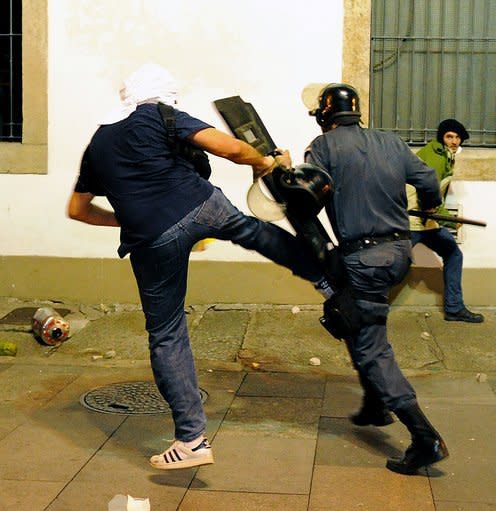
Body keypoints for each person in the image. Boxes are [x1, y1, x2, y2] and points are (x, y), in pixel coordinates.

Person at [67, 63, 327, 470]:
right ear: (163, 95)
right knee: (254, 232)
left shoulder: (98, 144)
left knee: (167, 333)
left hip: (152, 239)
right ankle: (325, 278)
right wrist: (265, 163)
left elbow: (78, 210)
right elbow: (230, 148)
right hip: (201, 205)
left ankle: (191, 440)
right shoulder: (160, 115)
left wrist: (128, 216)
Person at [305, 83, 448, 475]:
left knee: (370, 345)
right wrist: (430, 207)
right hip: (399, 253)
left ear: (325, 116)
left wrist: (288, 173)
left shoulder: (323, 148)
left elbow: (306, 198)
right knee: (356, 321)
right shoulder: (392, 142)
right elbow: (429, 182)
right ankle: (374, 402)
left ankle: (424, 438)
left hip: (363, 258)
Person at [407, 118, 483, 323]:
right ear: (442, 137)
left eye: (458, 137)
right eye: (450, 136)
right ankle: (362, 309)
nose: (455, 141)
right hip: (412, 220)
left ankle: (454, 308)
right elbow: (428, 192)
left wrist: (444, 218)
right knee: (393, 266)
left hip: (427, 221)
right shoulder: (435, 157)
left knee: (453, 254)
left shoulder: (446, 156)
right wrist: (450, 221)